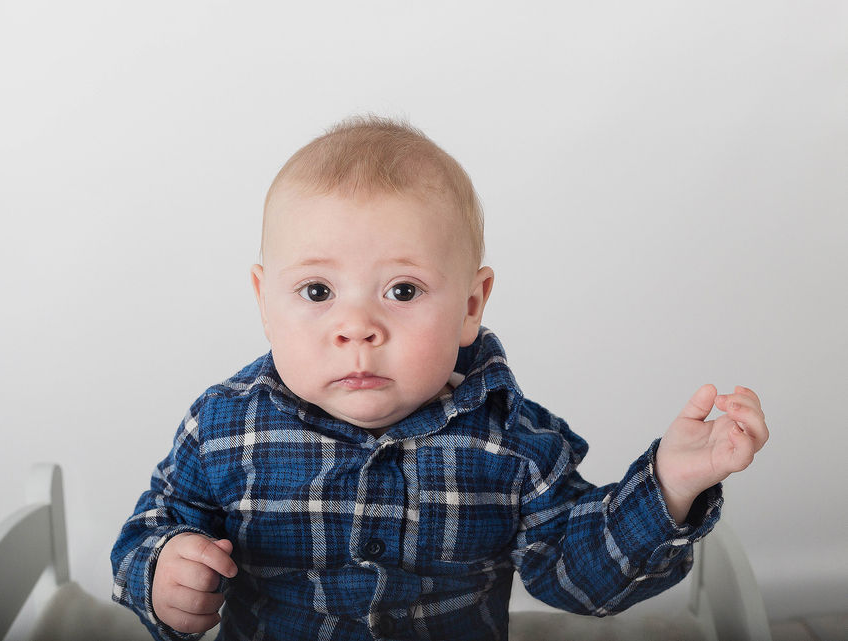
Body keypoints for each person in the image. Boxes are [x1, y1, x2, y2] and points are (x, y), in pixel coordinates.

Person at [111, 116, 769, 641]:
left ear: (470, 305)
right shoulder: (222, 427)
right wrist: (163, 571)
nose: (357, 326)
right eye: (316, 289)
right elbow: (149, 529)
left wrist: (669, 487)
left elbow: (580, 576)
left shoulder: (511, 442)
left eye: (401, 289)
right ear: (262, 300)